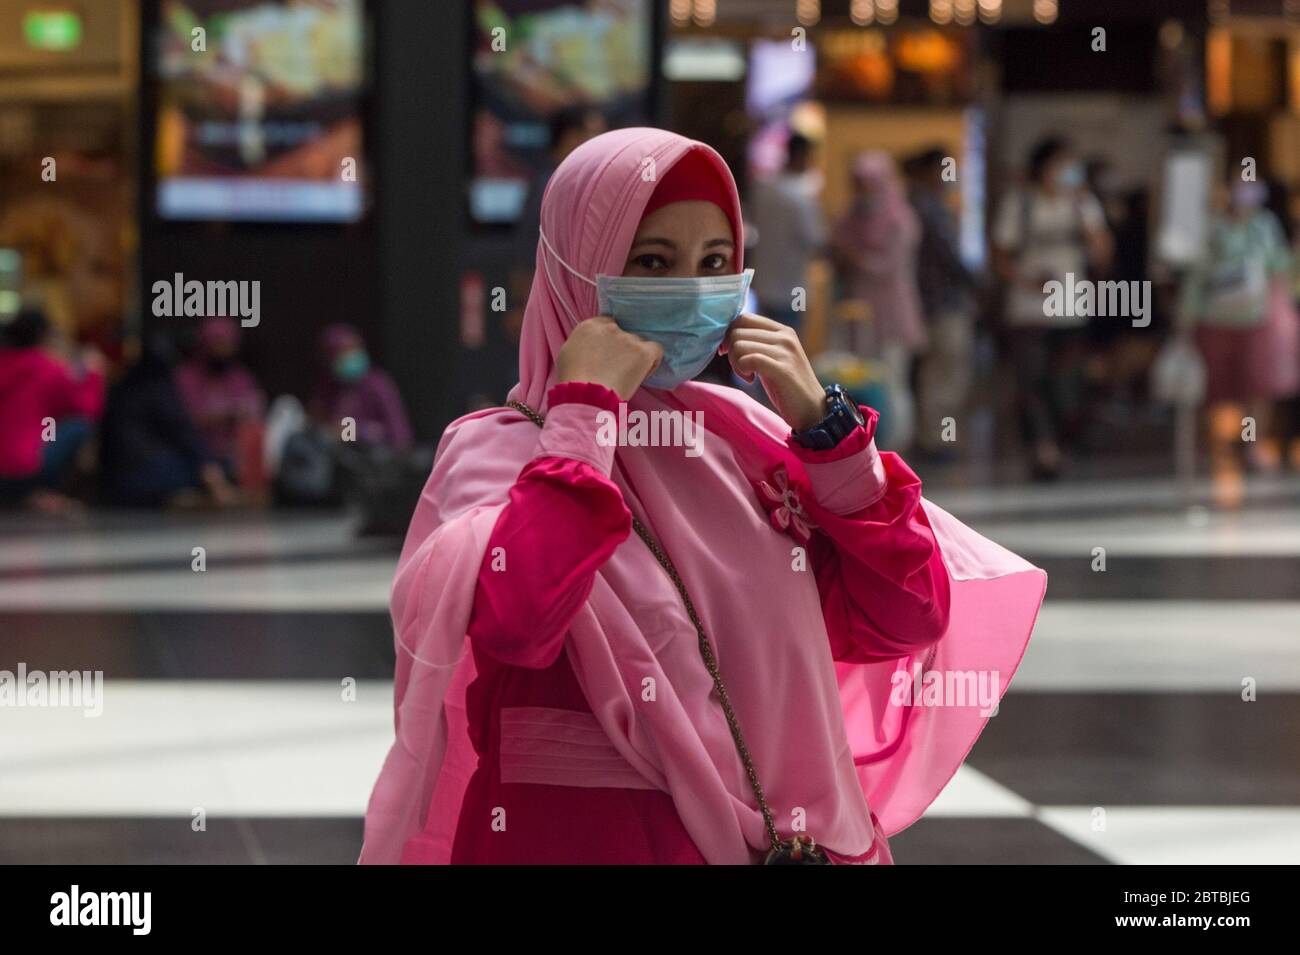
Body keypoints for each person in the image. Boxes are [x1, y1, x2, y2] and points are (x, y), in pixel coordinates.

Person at [359, 127, 1046, 866]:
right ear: (573, 270)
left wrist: (827, 428)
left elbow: (905, 616)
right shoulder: (501, 449)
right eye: (651, 262)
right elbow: (519, 619)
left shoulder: (745, 438)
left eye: (715, 263)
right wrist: (584, 418)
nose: (690, 289)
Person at [992, 135, 1113, 479]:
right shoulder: (1020, 204)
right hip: (1028, 309)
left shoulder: (1083, 204)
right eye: (1058, 165)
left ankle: (1061, 441)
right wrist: (1026, 280)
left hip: (1070, 306)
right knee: (1031, 380)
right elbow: (1000, 256)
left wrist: (1089, 224)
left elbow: (1103, 255)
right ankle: (1042, 449)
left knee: (1065, 383)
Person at [1178, 175, 1294, 506]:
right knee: (1219, 386)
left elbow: (1279, 265)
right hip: (1215, 318)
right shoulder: (1212, 227)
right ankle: (1220, 446)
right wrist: (1187, 317)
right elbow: (1197, 274)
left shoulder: (1264, 225)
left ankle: (1253, 444)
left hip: (1255, 317)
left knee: (1257, 384)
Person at [830, 151, 927, 451]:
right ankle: (864, 440)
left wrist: (854, 258)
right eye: (857, 184)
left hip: (893, 311)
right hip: (858, 313)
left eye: (867, 184)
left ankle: (895, 443)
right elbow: (835, 244)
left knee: (892, 379)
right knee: (858, 377)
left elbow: (889, 265)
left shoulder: (900, 217)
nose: (862, 191)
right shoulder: (853, 215)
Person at [99, 334, 235, 508]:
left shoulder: (124, 385)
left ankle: (182, 496)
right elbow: (183, 431)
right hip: (140, 474)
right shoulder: (157, 386)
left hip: (114, 480)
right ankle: (181, 497)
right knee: (209, 467)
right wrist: (210, 470)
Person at [905, 147, 978, 455]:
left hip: (927, 302)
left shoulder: (914, 205)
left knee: (933, 371)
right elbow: (950, 258)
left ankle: (932, 435)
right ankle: (936, 437)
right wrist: (977, 284)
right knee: (945, 371)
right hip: (942, 303)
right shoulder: (929, 209)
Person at [0, 305, 105, 513]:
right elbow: (87, 408)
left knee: (48, 425)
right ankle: (43, 490)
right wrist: (94, 374)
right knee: (76, 427)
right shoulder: (46, 369)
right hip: (23, 468)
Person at [749, 132, 827, 336]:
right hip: (794, 288)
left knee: (764, 342)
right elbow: (816, 240)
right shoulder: (802, 196)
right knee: (793, 340)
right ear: (802, 156)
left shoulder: (764, 189)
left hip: (764, 284)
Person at [174, 316, 266, 484]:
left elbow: (254, 413)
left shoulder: (241, 378)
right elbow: (180, 422)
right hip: (197, 456)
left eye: (228, 344)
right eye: (218, 343)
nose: (223, 349)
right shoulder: (185, 377)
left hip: (234, 455)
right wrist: (222, 416)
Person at [308, 323, 412, 451]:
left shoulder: (378, 383)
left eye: (355, 349)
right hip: (334, 457)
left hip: (371, 459)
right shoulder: (328, 387)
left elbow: (400, 435)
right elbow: (319, 421)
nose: (352, 356)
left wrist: (353, 430)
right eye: (344, 352)